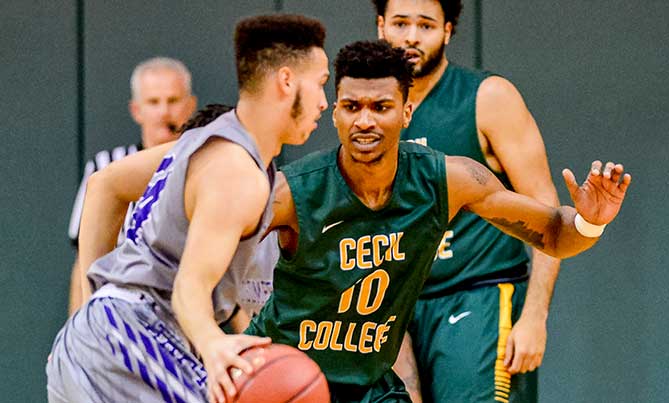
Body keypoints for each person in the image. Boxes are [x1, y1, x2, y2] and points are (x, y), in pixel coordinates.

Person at [73, 40, 630, 403]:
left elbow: (554, 235)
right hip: (283, 379)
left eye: (381, 108)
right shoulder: (288, 193)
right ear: (334, 111)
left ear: (406, 113)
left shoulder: (449, 178)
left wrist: (590, 221)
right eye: (351, 106)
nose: (365, 121)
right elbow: (185, 256)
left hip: (369, 387)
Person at [46, 14, 329, 403]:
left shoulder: (203, 142)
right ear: (286, 82)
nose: (323, 102)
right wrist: (213, 344)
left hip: (102, 338)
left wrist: (94, 308)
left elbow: (105, 185)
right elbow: (189, 288)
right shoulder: (237, 172)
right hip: (133, 335)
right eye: (320, 84)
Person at [372, 1, 561, 401]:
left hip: (479, 296)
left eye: (425, 25)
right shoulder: (373, 111)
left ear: (448, 30)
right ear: (380, 26)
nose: (410, 36)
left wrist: (535, 317)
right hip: (398, 308)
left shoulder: (488, 97)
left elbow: (547, 212)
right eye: (400, 23)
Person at [66, 56, 197, 315]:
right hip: (119, 315)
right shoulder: (105, 166)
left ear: (191, 105)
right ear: (136, 110)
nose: (163, 112)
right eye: (153, 102)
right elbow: (84, 261)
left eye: (172, 100)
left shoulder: (206, 167)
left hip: (189, 314)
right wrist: (77, 327)